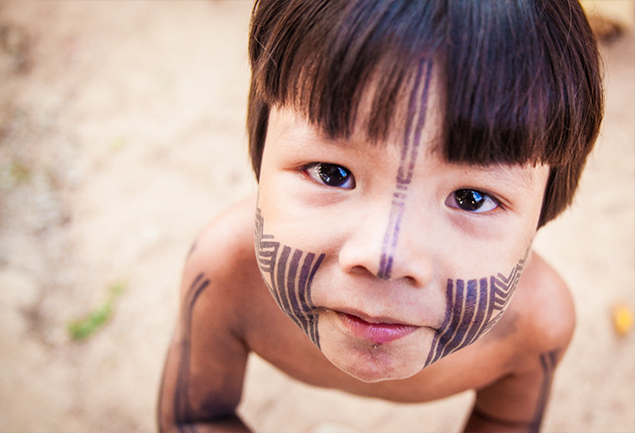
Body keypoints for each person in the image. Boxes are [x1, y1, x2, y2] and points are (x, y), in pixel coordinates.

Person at [158, 0, 603, 431]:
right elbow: (193, 416)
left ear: (543, 214)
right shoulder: (225, 273)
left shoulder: (534, 326)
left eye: (471, 198)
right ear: (260, 154)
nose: (384, 256)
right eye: (332, 173)